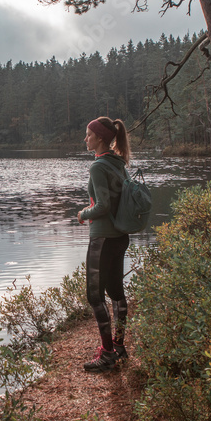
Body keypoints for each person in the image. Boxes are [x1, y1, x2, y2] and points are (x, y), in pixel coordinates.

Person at [77, 116, 131, 372]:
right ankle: (119, 347)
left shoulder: (98, 167)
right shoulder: (118, 163)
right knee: (116, 293)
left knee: (95, 296)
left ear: (99, 138)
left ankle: (108, 353)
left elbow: (103, 206)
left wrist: (82, 214)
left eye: (88, 134)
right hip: (120, 236)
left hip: (102, 239)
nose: (85, 139)